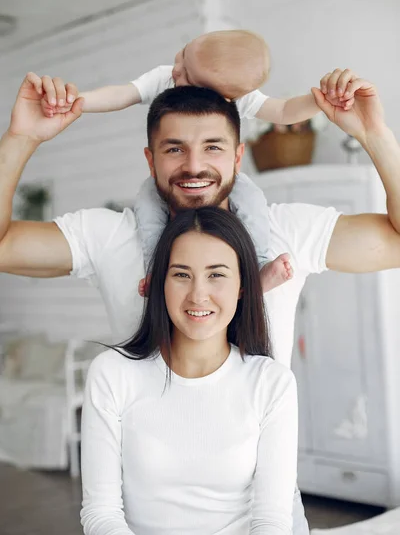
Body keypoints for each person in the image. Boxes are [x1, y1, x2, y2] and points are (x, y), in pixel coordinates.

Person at [1, 67, 400, 535]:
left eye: (212, 146)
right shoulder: (110, 236)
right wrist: (21, 137)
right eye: (175, 149)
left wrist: (375, 134)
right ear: (150, 161)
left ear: (237, 157)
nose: (194, 166)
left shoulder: (284, 231)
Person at [38, 30, 354, 295]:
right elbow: (124, 94)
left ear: (219, 91)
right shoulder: (166, 77)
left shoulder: (236, 96)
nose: (176, 70)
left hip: (233, 185)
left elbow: (284, 112)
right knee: (147, 210)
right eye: (182, 56)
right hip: (160, 196)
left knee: (253, 201)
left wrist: (320, 102)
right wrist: (79, 102)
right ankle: (156, 271)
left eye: (187, 74)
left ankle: (256, 270)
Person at [80, 206, 298, 535]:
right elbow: (101, 513)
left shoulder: (272, 383)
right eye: (181, 274)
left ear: (242, 286)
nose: (198, 295)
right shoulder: (111, 374)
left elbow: (272, 521)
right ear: (160, 285)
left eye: (216, 274)